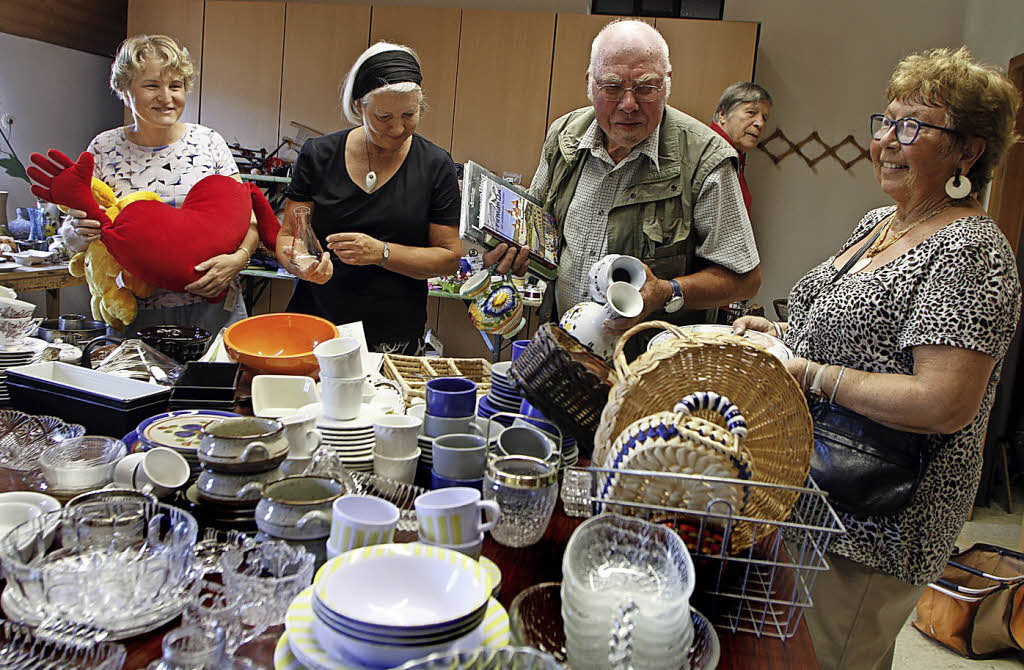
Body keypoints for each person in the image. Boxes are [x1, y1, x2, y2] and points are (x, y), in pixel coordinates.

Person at [734, 47, 1022, 670]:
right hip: (812, 490)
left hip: (877, 522)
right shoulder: (880, 222)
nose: (886, 141)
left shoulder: (971, 250)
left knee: (826, 654)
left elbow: (943, 402)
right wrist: (783, 333)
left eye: (912, 126)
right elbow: (857, 336)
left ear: (967, 152)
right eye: (885, 122)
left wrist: (806, 371)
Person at [487, 19, 761, 334]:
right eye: (612, 87)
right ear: (590, 83)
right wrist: (516, 251)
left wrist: (667, 291)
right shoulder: (564, 136)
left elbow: (745, 280)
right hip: (563, 347)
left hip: (652, 366)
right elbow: (534, 231)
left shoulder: (704, 159)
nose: (628, 104)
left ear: (667, 84)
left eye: (645, 87)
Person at [61, 34, 256, 336]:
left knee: (216, 384)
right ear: (125, 89)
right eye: (152, 85)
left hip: (214, 307)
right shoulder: (102, 148)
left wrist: (237, 260)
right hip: (133, 313)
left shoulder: (209, 143)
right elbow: (73, 233)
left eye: (175, 86)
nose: (166, 97)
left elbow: (249, 222)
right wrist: (78, 233)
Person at [276, 42, 461, 355]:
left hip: (393, 334)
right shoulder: (320, 155)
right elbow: (288, 237)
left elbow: (448, 257)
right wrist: (302, 265)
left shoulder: (435, 165)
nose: (398, 128)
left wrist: (381, 253)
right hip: (317, 325)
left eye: (409, 115)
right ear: (359, 106)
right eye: (384, 116)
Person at [710, 81, 772, 214]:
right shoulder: (712, 153)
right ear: (723, 115)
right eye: (751, 112)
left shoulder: (734, 157)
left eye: (764, 118)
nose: (760, 123)